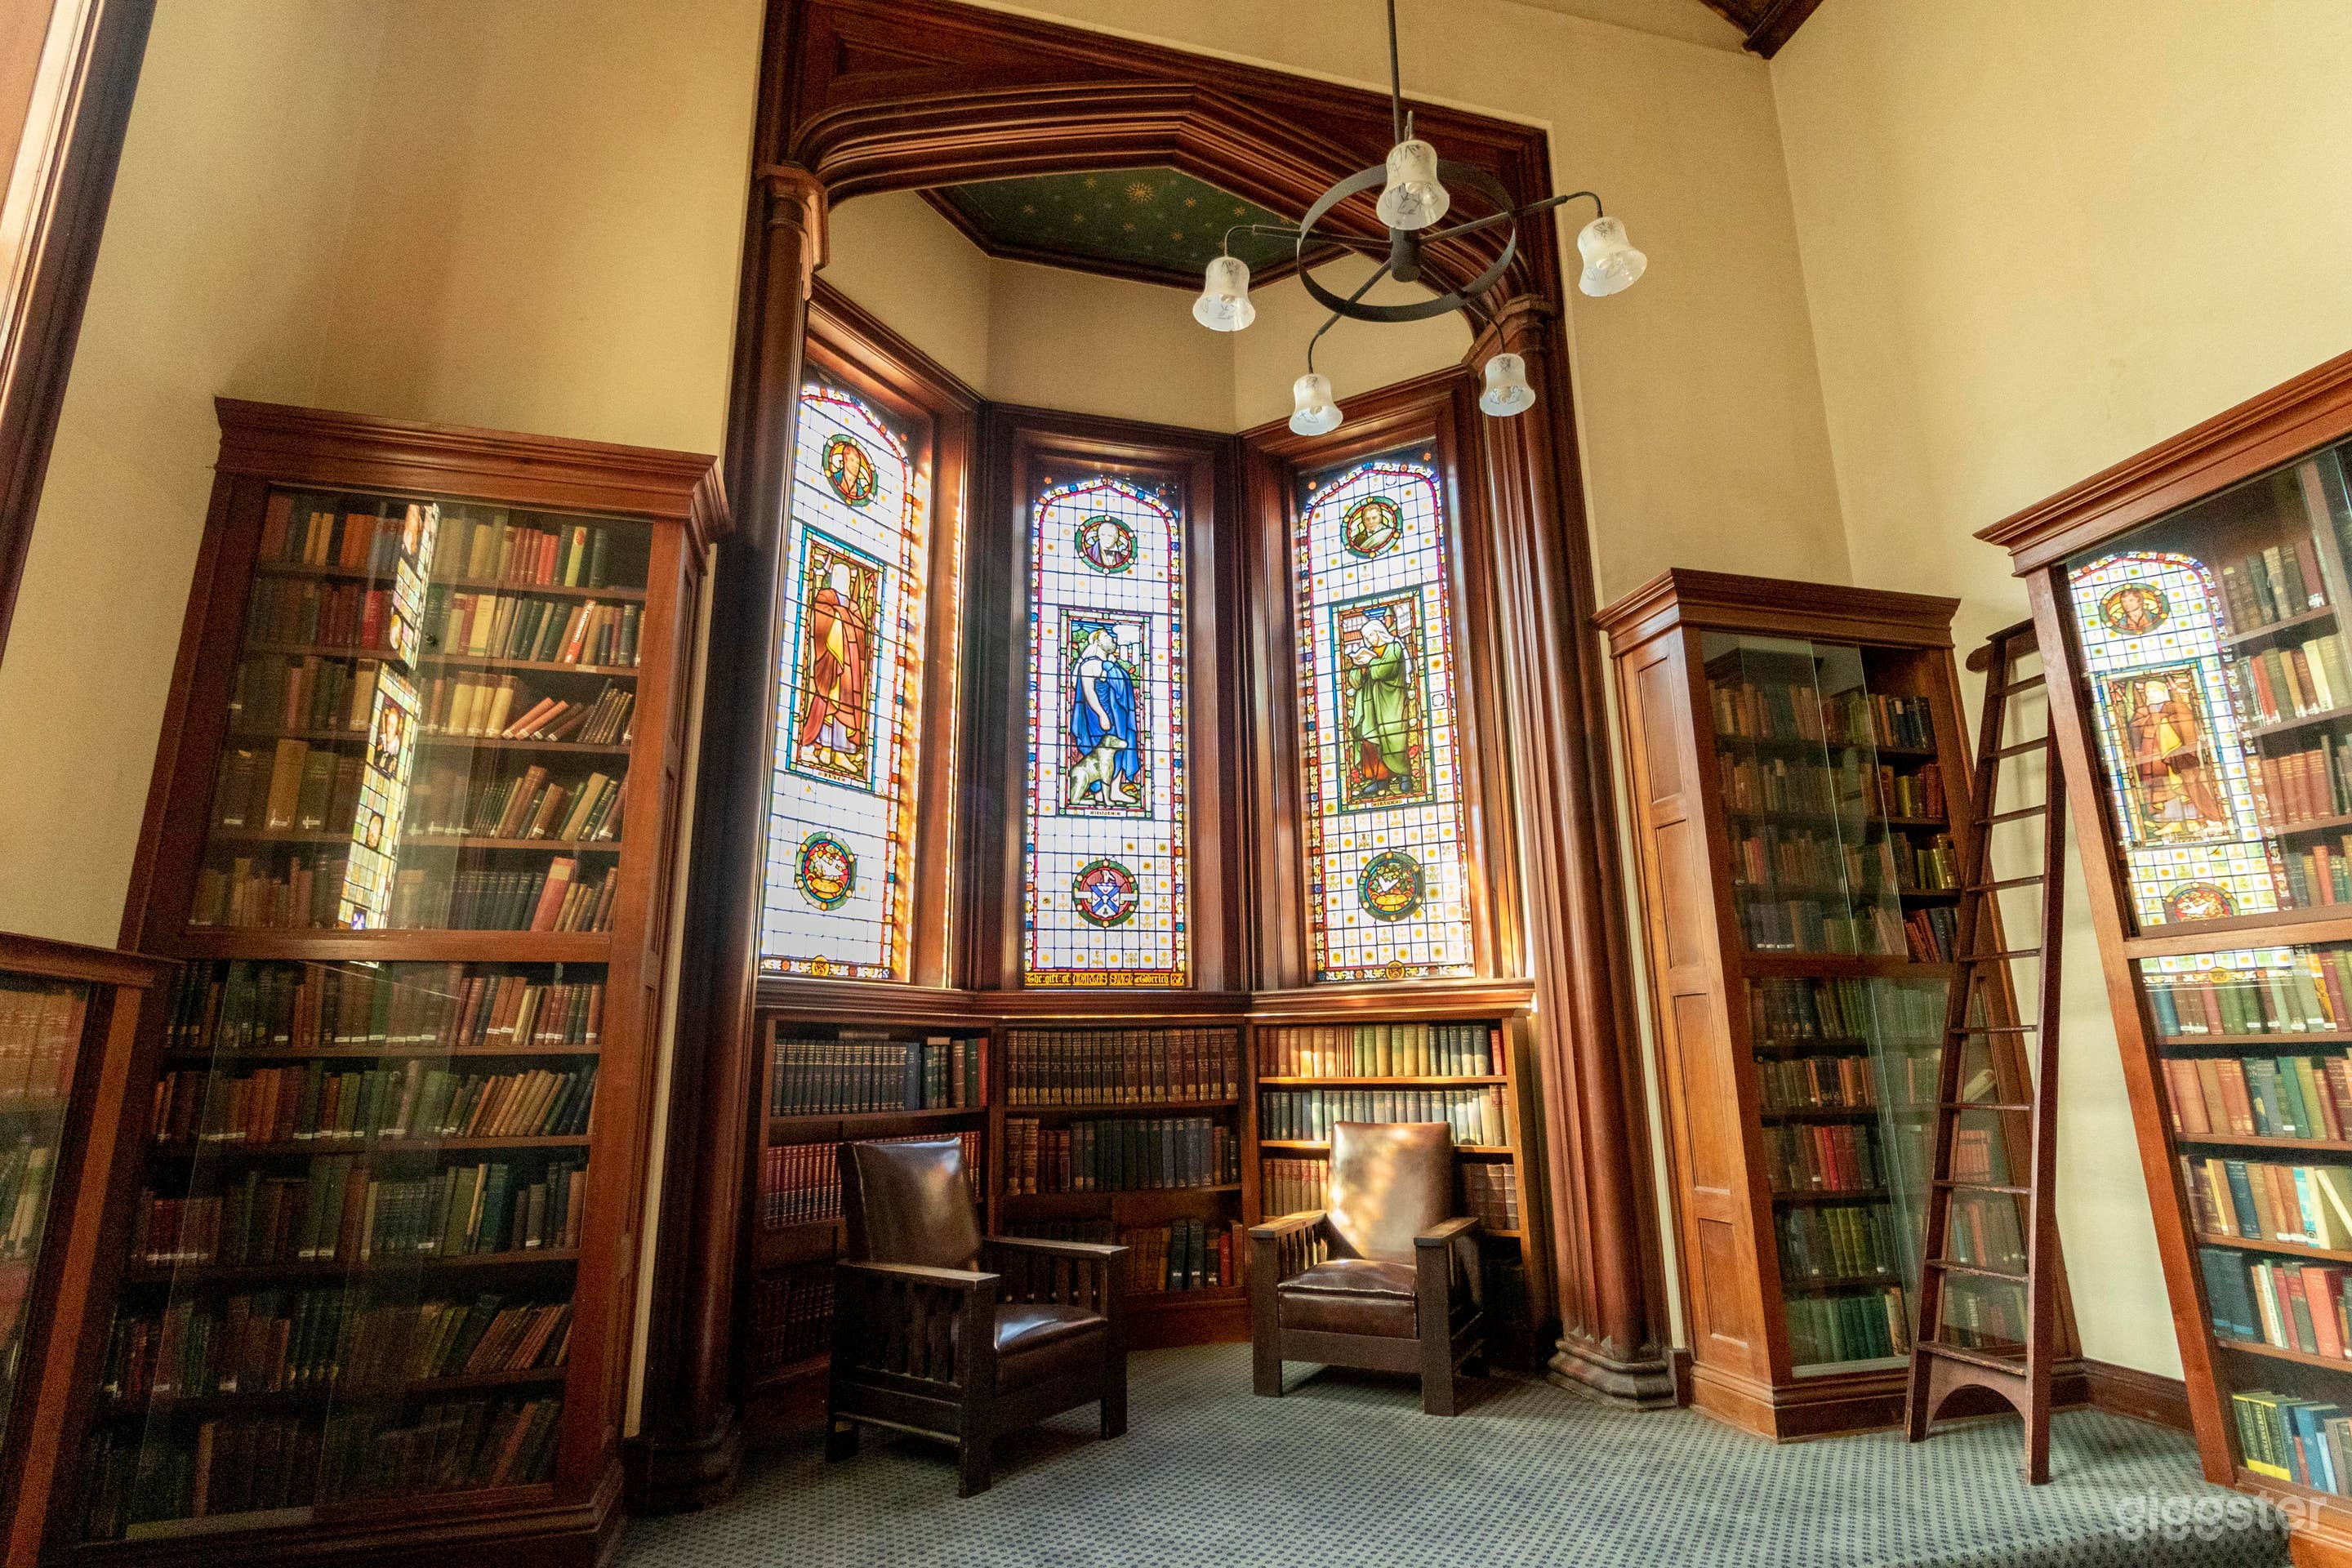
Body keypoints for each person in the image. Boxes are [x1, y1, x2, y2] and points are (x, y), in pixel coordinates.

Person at [795, 560, 871, 772]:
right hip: (832, 661)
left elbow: (860, 629)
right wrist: (840, 616)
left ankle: (840, 752)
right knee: (829, 701)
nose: (845, 581)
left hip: (850, 664)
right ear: (835, 578)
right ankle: (825, 747)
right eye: (841, 576)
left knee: (846, 704)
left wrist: (846, 616)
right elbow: (821, 617)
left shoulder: (854, 606)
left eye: (847, 578)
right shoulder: (826, 597)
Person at [2125, 674, 2225, 830]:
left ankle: (2197, 817)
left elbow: (2186, 721)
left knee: (2184, 784)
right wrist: (2152, 722)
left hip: (2176, 755)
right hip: (2154, 758)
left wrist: (2164, 722)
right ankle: (2170, 821)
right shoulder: (2143, 711)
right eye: (2148, 692)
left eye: (2155, 691)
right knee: (2163, 788)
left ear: (2164, 692)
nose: (2151, 695)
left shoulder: (2174, 706)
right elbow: (2135, 729)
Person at [1067, 626, 1141, 806]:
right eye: (1108, 636)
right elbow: (1089, 692)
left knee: (1121, 750)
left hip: (1119, 716)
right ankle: (1101, 791)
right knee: (1103, 753)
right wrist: (1102, 715)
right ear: (1098, 641)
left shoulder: (1112, 666)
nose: (1112, 639)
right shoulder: (1089, 665)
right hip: (1100, 717)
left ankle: (1115, 790)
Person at [1346, 612, 1415, 798]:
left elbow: (1386, 670)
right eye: (1367, 638)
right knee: (1370, 740)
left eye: (1371, 635)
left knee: (1394, 737)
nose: (1370, 640)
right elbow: (1353, 679)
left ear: (1380, 632)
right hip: (1369, 706)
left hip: (1390, 702)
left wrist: (1370, 664)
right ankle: (1380, 778)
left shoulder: (1394, 648)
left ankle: (1404, 776)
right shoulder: (1368, 653)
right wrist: (1360, 668)